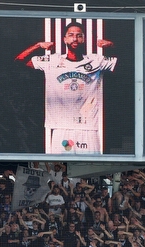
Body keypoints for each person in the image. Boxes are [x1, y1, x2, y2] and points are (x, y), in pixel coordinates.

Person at [15, 21, 118, 155]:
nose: (75, 39)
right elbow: (19, 60)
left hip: (88, 127)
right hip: (61, 127)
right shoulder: (52, 61)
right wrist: (38, 45)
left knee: (89, 169)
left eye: (79, 35)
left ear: (84, 39)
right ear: (64, 39)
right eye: (71, 35)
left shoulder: (95, 61)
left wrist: (112, 46)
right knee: (62, 168)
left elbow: (128, 63)